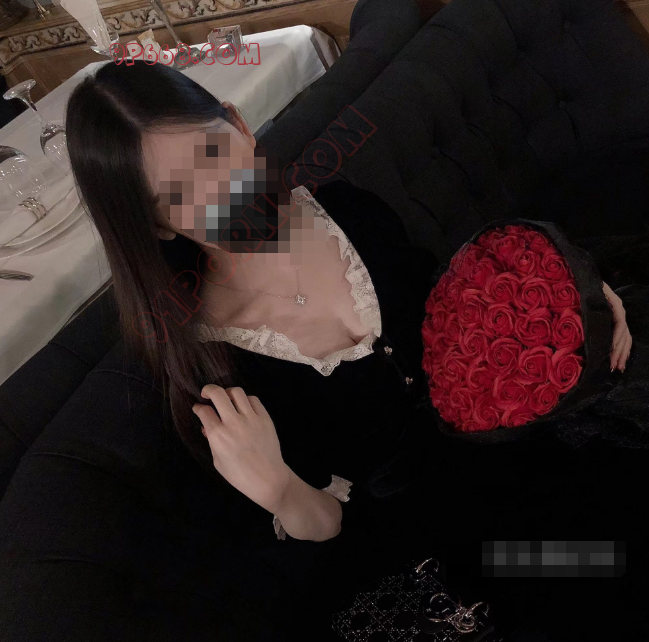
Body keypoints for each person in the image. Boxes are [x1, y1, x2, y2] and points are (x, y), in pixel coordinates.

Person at [0, 60, 646, 642]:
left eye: (213, 151)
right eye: (178, 194)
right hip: (449, 546)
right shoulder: (214, 372)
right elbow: (330, 530)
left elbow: (455, 313)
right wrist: (280, 489)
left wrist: (570, 299)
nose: (223, 193)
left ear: (239, 125)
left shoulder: (345, 210)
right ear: (157, 224)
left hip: (519, 450)